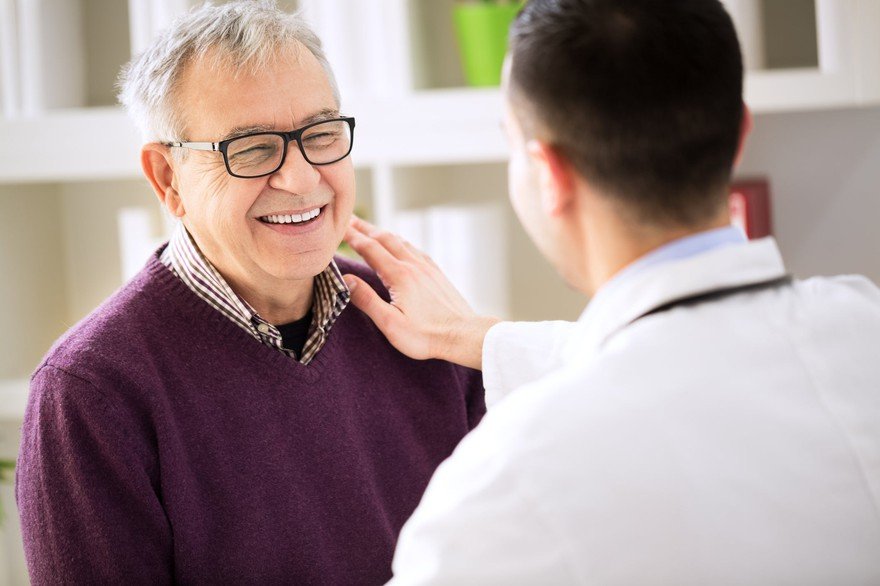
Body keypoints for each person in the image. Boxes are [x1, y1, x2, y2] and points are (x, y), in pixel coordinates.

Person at [342, 0, 880, 583]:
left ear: (548, 174)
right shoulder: (860, 323)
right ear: (741, 132)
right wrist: (482, 337)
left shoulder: (507, 489)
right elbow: (688, 362)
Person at [15, 1, 484, 583]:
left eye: (320, 133)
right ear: (168, 180)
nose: (301, 177)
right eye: (254, 148)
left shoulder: (419, 317)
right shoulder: (89, 392)